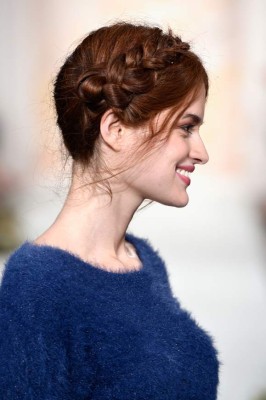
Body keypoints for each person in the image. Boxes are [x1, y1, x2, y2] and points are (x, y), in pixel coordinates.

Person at [0, 21, 220, 399]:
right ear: (115, 128)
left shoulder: (143, 261)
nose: (201, 152)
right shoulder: (37, 287)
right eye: (186, 128)